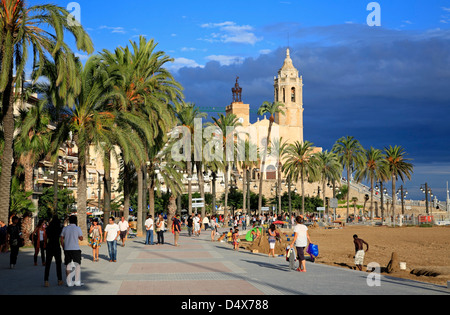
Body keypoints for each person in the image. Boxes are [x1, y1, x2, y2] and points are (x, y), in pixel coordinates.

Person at [60, 215, 83, 287]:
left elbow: (61, 238)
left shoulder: (65, 228)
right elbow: (81, 238)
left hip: (67, 249)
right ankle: (77, 281)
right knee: (77, 265)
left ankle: (69, 282)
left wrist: (63, 246)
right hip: (75, 248)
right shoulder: (77, 228)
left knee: (68, 265)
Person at [44, 216, 63, 287]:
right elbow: (61, 237)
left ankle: (46, 280)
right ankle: (60, 280)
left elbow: (45, 237)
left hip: (49, 246)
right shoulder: (59, 228)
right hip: (56, 246)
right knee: (58, 264)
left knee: (48, 264)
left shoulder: (48, 228)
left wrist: (45, 244)